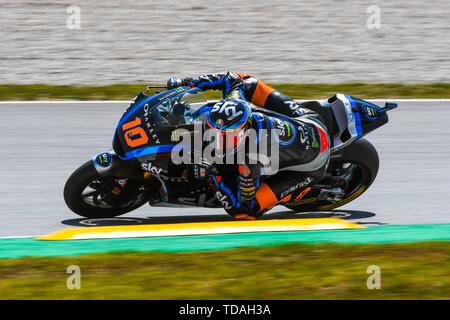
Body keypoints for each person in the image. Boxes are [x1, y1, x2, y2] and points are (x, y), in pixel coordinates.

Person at [167, 71, 330, 220]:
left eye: (226, 137)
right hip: (310, 120)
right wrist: (185, 84)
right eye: (214, 132)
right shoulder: (235, 103)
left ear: (243, 132)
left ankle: (297, 194)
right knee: (246, 81)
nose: (216, 139)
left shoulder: (251, 162)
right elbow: (230, 78)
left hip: (314, 164)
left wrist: (211, 172)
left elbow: (241, 204)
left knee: (247, 212)